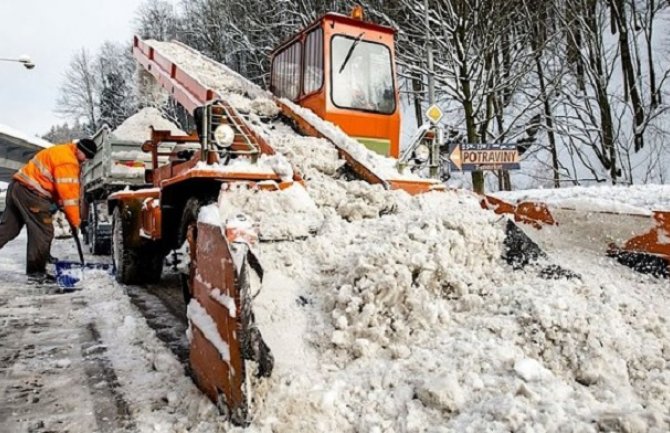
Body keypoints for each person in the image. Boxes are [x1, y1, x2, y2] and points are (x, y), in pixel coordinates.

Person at [0, 138, 97, 282]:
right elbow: (69, 197)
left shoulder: (62, 151)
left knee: (9, 229)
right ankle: (36, 273)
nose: (86, 161)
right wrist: (75, 222)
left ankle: (36, 270)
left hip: (17, 187)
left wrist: (61, 205)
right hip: (32, 194)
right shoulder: (68, 161)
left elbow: (58, 189)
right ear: (80, 150)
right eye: (87, 157)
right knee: (44, 232)